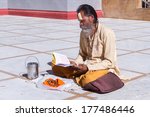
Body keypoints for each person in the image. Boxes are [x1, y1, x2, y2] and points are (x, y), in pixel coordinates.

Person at [52, 4, 120, 87]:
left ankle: (83, 77)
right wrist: (76, 63)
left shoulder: (107, 33)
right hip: (86, 66)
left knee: (88, 79)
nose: (80, 25)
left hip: (101, 68)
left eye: (82, 21)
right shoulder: (83, 33)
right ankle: (82, 77)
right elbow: (82, 54)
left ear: (91, 18)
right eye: (79, 22)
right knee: (55, 67)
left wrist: (88, 68)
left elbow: (110, 62)